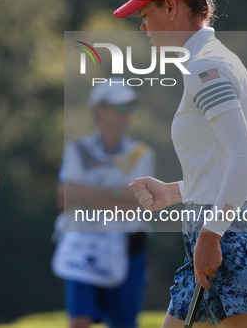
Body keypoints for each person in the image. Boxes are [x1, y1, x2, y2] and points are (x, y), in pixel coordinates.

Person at [114, 0, 247, 327]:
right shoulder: (212, 61)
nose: (144, 27)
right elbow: (231, 164)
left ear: (169, 5)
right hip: (216, 235)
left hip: (226, 240)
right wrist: (173, 192)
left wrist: (211, 236)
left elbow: (246, 159)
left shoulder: (204, 68)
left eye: (144, 14)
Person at [52, 82, 155, 328]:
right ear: (99, 110)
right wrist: (117, 192)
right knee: (79, 322)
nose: (126, 112)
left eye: (131, 106)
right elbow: (65, 198)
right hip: (82, 245)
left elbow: (133, 204)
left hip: (127, 247)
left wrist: (85, 194)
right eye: (120, 106)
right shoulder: (76, 150)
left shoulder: (141, 153)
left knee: (124, 324)